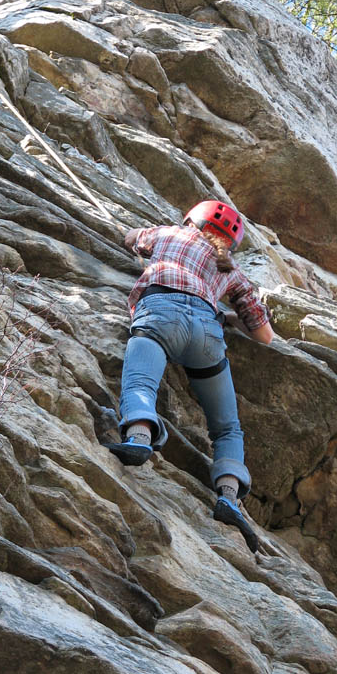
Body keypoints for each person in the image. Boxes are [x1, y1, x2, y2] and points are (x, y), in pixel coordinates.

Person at [106, 201, 274, 552]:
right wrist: (224, 313)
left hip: (161, 314)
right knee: (227, 428)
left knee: (141, 385)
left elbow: (131, 237)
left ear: (192, 221)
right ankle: (228, 496)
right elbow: (264, 336)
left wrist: (140, 242)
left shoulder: (169, 234)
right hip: (207, 336)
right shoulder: (231, 269)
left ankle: (139, 439)